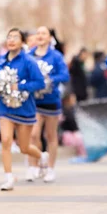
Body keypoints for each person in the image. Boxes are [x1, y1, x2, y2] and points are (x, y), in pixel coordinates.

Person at [0, 28, 48, 191]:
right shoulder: (0, 61)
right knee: (6, 141)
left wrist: (20, 86)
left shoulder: (28, 61)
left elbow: (40, 83)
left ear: (23, 42)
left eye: (15, 37)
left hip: (25, 109)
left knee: (24, 147)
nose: (11, 40)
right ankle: (8, 177)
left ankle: (41, 156)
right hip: (5, 108)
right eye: (9, 37)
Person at [27, 26, 70, 183]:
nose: (40, 36)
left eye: (43, 33)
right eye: (37, 33)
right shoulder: (29, 55)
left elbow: (65, 75)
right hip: (34, 101)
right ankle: (34, 166)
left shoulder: (56, 56)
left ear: (50, 37)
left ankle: (50, 168)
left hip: (51, 100)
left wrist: (49, 80)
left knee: (50, 135)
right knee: (33, 134)